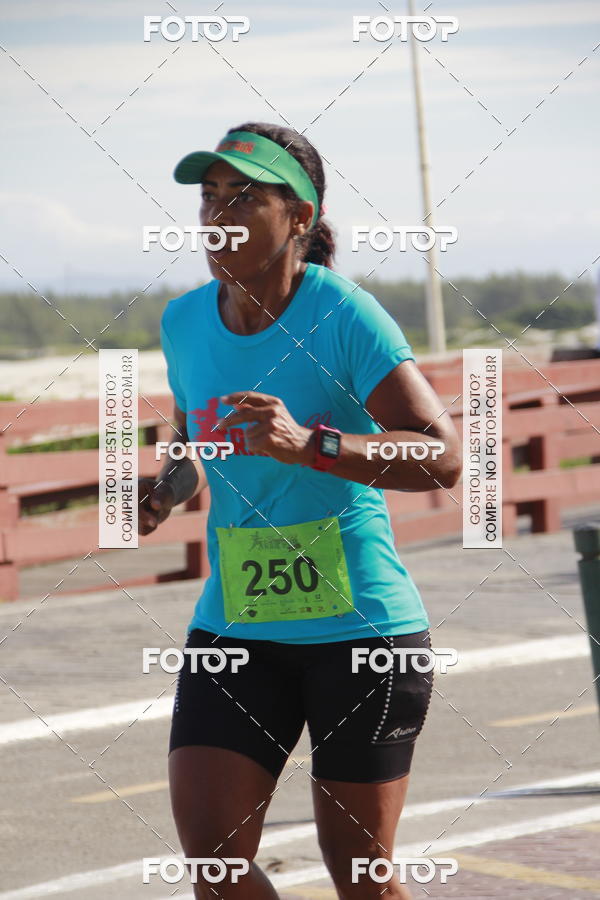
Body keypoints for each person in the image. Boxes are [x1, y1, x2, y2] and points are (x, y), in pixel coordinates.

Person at [138, 121, 461, 899]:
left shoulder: (344, 315)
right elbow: (199, 442)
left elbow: (444, 455)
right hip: (237, 627)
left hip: (361, 634)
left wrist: (312, 444)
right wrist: (163, 490)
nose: (218, 215)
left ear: (300, 218)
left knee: (361, 874)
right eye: (210, 195)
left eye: (244, 197)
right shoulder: (184, 321)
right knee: (216, 866)